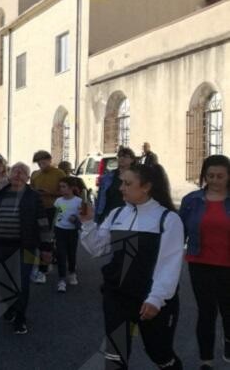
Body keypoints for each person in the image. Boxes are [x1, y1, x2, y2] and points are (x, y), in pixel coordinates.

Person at [79, 164, 184, 370]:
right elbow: (97, 249)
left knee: (160, 354)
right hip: (117, 296)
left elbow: (169, 264)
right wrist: (88, 223)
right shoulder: (117, 214)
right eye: (121, 183)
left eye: (127, 183)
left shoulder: (168, 219)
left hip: (151, 299)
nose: (121, 188)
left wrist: (156, 299)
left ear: (146, 187)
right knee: (115, 356)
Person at [0, 162, 52, 335]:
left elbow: (43, 223)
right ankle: (10, 307)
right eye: (15, 170)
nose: (18, 174)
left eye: (23, 172)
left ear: (28, 178)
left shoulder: (33, 197)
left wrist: (46, 248)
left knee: (22, 284)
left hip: (26, 247)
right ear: (9, 174)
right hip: (1, 245)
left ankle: (20, 318)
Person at [179, 155, 230, 369]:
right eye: (210, 176)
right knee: (206, 312)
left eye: (220, 176)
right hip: (200, 263)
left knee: (229, 310)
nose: (215, 180)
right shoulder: (191, 200)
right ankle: (206, 359)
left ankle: (228, 342)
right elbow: (178, 232)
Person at [29, 150, 66, 284]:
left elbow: (64, 191)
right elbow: (31, 190)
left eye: (43, 162)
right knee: (38, 239)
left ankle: (43, 269)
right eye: (38, 163)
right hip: (38, 210)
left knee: (47, 239)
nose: (40, 165)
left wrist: (49, 193)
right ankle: (46, 263)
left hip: (53, 209)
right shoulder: (35, 174)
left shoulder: (59, 173)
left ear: (50, 160)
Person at [53, 177, 84, 293]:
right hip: (59, 230)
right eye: (60, 186)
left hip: (72, 231)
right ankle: (61, 279)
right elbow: (57, 215)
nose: (61, 189)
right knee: (61, 254)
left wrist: (76, 218)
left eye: (63, 186)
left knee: (71, 253)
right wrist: (52, 230)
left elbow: (83, 216)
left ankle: (72, 272)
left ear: (71, 188)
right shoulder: (58, 201)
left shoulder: (78, 201)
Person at [96, 147, 136, 224]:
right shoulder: (109, 176)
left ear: (132, 160)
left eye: (125, 156)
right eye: (120, 156)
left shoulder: (136, 177)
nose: (122, 158)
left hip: (128, 215)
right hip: (109, 214)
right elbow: (101, 198)